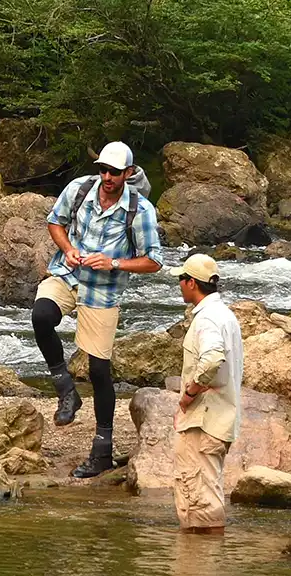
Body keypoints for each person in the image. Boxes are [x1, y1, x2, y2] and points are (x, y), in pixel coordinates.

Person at [35, 141, 163, 478]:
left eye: (115, 172)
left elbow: (154, 261)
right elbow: (55, 222)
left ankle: (102, 451)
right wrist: (68, 249)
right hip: (68, 274)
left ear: (129, 173)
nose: (107, 177)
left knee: (98, 370)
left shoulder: (141, 210)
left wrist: (114, 263)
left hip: (103, 291)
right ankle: (65, 389)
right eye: (103, 170)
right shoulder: (79, 190)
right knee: (41, 316)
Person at [170, 254, 242, 533]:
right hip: (221, 416)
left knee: (199, 500)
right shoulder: (225, 314)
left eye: (181, 280)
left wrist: (189, 393)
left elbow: (212, 359)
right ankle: (205, 567)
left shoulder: (207, 319)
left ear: (191, 283)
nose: (179, 285)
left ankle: (200, 570)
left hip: (204, 419)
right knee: (207, 491)